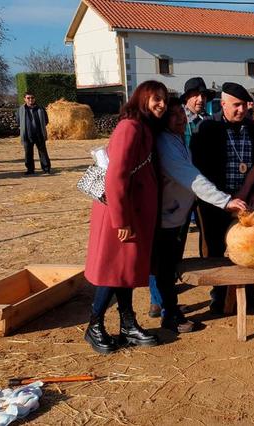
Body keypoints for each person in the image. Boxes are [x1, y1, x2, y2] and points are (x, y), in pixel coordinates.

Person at [83, 80, 167, 354]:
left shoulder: (143, 127)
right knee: (113, 272)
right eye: (156, 99)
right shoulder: (129, 127)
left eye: (164, 99)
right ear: (142, 99)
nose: (161, 104)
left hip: (133, 214)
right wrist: (122, 221)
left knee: (125, 271)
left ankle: (128, 323)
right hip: (121, 216)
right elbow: (116, 176)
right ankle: (94, 326)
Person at [154, 98, 247, 333]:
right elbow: (192, 178)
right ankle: (169, 315)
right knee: (164, 266)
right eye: (172, 114)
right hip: (166, 216)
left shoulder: (177, 139)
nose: (179, 118)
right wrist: (225, 201)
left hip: (176, 213)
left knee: (169, 264)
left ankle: (170, 310)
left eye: (180, 114)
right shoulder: (165, 143)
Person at [190, 82, 254, 314]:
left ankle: (248, 291)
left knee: (251, 246)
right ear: (222, 104)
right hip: (216, 202)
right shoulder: (206, 128)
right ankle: (219, 294)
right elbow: (200, 167)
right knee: (214, 248)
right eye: (235, 105)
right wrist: (222, 198)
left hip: (248, 203)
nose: (241, 110)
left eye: (244, 105)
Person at [17, 92, 51, 175]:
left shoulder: (41, 109)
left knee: (43, 152)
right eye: (28, 98)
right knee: (28, 153)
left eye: (32, 98)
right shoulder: (20, 110)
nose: (30, 100)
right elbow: (18, 121)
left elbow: (46, 121)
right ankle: (30, 170)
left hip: (39, 134)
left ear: (34, 99)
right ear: (24, 99)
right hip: (27, 135)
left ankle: (46, 169)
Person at [181, 77, 217, 147]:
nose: (200, 99)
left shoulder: (210, 120)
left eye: (203, 95)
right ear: (187, 98)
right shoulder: (179, 120)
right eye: (196, 95)